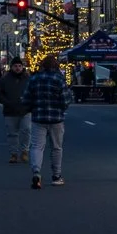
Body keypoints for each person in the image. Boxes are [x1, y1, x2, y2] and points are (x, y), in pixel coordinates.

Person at [24, 56, 69, 189]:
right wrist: (61, 107)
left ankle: (36, 172)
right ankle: (56, 175)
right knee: (56, 147)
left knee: (37, 146)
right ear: (56, 66)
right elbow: (66, 100)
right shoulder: (59, 79)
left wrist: (32, 107)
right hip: (56, 118)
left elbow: (26, 99)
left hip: (38, 117)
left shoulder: (34, 79)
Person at [0, 57, 32, 164]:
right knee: (12, 133)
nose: (18, 68)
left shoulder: (28, 79)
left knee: (26, 131)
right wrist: (6, 101)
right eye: (15, 66)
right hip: (10, 110)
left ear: (23, 67)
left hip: (25, 110)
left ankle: (25, 151)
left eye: (19, 66)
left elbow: (34, 92)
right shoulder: (5, 79)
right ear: (12, 67)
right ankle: (14, 154)